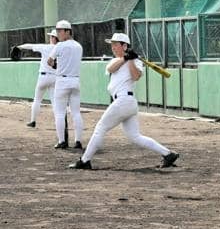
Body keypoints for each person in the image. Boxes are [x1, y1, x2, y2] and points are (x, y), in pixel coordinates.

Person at [69, 33, 179, 170]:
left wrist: (131, 60)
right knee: (135, 137)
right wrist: (126, 58)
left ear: (125, 46)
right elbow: (111, 69)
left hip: (125, 100)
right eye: (112, 45)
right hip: (124, 103)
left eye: (116, 44)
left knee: (100, 128)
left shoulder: (136, 61)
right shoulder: (115, 61)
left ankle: (85, 160)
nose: (113, 47)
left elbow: (136, 76)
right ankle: (168, 154)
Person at [48, 20, 83, 149]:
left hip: (62, 81)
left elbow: (49, 61)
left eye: (60, 31)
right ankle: (78, 141)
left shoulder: (59, 45)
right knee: (76, 113)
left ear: (68, 31)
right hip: (75, 80)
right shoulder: (78, 46)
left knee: (60, 113)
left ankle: (62, 141)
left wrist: (56, 66)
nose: (58, 33)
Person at [13, 29, 59, 128]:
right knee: (54, 102)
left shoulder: (46, 47)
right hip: (55, 77)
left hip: (43, 77)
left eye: (51, 36)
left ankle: (33, 121)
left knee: (37, 100)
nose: (50, 38)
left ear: (54, 38)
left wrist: (19, 47)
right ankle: (58, 122)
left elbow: (30, 46)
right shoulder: (61, 49)